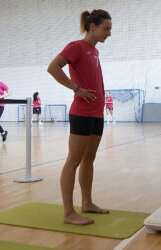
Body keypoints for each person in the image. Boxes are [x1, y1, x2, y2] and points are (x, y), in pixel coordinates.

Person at [47, 9, 111, 225]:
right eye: (106, 29)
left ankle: (87, 203)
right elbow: (53, 67)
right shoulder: (76, 46)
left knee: (89, 159)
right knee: (73, 160)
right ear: (92, 26)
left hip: (97, 113)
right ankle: (68, 213)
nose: (108, 34)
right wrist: (76, 88)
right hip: (82, 113)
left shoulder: (94, 51)